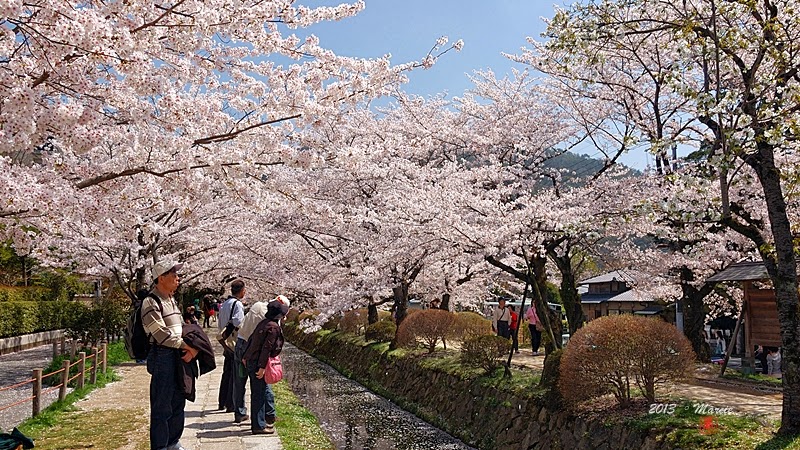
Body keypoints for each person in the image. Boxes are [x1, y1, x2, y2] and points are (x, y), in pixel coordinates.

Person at [141, 259, 198, 450]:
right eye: (174, 276)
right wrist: (186, 346)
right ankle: (160, 446)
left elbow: (180, 327)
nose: (178, 279)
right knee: (161, 405)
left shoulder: (170, 299)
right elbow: (160, 334)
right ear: (161, 278)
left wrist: (190, 346)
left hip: (177, 354)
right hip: (162, 355)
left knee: (177, 402)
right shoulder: (151, 301)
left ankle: (173, 442)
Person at [242, 300, 290, 435]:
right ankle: (258, 426)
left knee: (259, 393)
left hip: (252, 360)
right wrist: (262, 367)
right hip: (258, 363)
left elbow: (252, 340)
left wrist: (246, 356)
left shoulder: (264, 323)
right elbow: (266, 349)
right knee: (259, 394)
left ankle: (260, 422)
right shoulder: (273, 327)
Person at [218, 280, 247, 423]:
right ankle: (231, 404)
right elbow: (239, 323)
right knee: (235, 375)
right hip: (233, 342)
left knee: (226, 372)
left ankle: (222, 401)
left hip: (225, 341)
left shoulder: (224, 304)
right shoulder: (238, 305)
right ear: (241, 290)